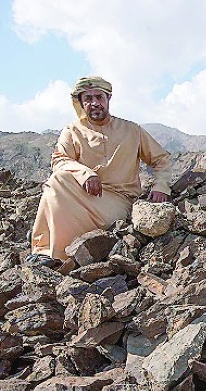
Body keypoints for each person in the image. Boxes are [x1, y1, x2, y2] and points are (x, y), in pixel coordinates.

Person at [27, 76, 172, 266]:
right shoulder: (73, 130)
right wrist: (85, 173)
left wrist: (161, 186)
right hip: (87, 195)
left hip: (120, 203)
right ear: (80, 102)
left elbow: (161, 159)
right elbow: (59, 159)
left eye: (99, 97)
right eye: (88, 99)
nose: (95, 103)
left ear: (108, 99)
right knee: (57, 182)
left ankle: (60, 256)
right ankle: (49, 252)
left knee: (57, 187)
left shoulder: (131, 130)